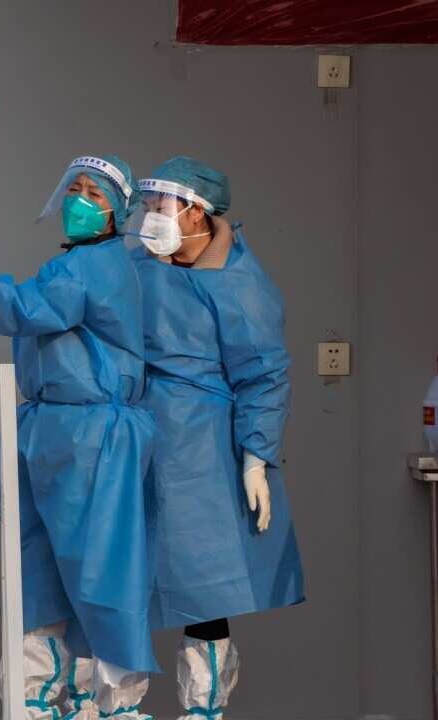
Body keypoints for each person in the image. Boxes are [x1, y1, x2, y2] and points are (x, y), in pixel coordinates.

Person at [131, 156, 305, 719]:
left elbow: (264, 373)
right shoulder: (137, 268)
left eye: (162, 204)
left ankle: (204, 709)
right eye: (147, 204)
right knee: (116, 580)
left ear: (196, 212)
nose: (152, 215)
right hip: (130, 442)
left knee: (204, 589)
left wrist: (255, 457)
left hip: (200, 454)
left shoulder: (237, 282)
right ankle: (114, 707)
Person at [0, 155, 158, 719]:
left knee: (98, 575)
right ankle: (44, 697)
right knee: (44, 572)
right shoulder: (82, 263)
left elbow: (28, 308)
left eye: (95, 193)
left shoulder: (91, 266)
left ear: (117, 210)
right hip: (57, 433)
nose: (79, 200)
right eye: (74, 188)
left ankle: (111, 703)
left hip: (90, 438)